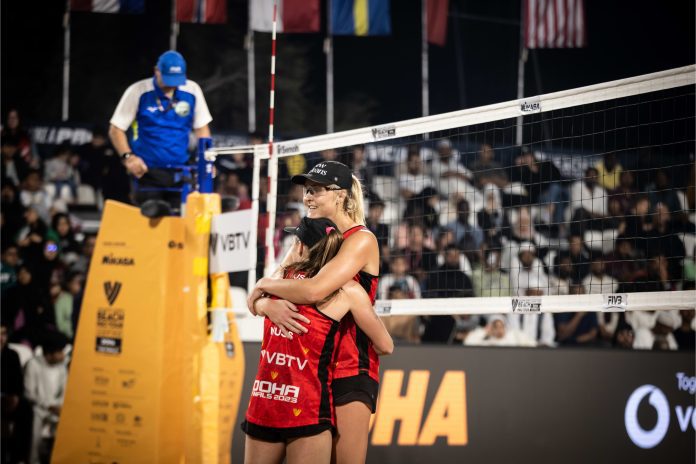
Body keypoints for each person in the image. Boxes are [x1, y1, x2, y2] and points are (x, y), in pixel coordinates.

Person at [247, 160, 381, 464]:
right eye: (307, 190)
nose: (307, 197)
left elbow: (313, 290)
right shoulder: (316, 239)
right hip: (314, 365)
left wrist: (264, 285)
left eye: (316, 191)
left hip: (349, 365)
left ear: (340, 195)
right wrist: (265, 302)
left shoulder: (361, 239)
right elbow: (261, 299)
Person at [108, 50, 212, 216]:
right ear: (157, 71)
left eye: (177, 80)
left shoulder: (192, 90)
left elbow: (202, 128)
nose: (172, 85)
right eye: (169, 79)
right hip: (146, 172)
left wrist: (206, 161)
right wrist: (128, 158)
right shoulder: (139, 91)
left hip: (181, 171)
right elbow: (116, 129)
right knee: (151, 223)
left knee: (181, 224)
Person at [24, 330, 69, 464]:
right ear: (49, 354)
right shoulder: (33, 365)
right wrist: (48, 406)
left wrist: (59, 406)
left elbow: (65, 392)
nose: (62, 355)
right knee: (35, 422)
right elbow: (29, 393)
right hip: (38, 409)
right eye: (59, 352)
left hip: (58, 409)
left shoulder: (62, 367)